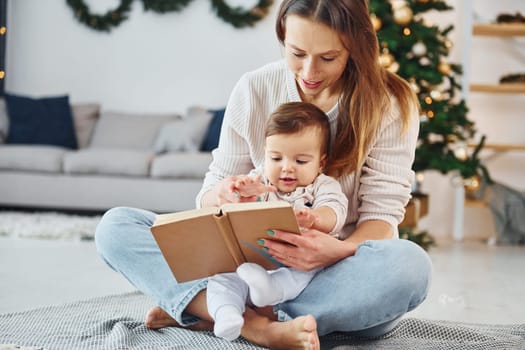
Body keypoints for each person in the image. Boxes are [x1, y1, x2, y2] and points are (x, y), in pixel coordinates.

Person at [95, 0, 433, 349]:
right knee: (116, 227)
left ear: (356, 46)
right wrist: (223, 196)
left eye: (328, 58)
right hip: (247, 267)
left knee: (410, 267)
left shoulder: (389, 102)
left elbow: (382, 219)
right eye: (297, 52)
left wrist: (332, 251)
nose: (309, 72)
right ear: (282, 36)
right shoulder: (254, 89)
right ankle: (257, 326)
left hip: (332, 271)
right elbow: (210, 192)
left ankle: (209, 309)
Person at [206, 101, 348, 341]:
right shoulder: (259, 180)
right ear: (265, 156)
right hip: (253, 258)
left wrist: (315, 218)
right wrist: (242, 194)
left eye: (300, 161)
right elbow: (234, 208)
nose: (286, 169)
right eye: (276, 158)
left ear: (320, 163)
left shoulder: (322, 185)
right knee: (222, 276)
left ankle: (269, 291)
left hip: (298, 261)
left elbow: (335, 211)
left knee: (303, 276)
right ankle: (226, 314)